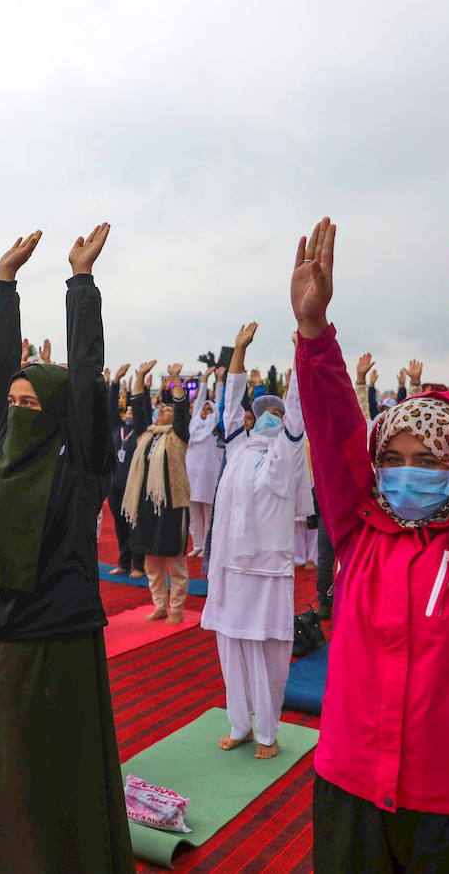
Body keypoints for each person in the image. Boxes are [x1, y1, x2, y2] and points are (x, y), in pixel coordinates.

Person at [295, 219, 449, 872]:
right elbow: (335, 441)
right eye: (395, 457)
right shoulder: (360, 532)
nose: (408, 470)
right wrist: (315, 337)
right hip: (350, 786)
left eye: (429, 458)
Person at [0, 224, 131, 873]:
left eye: (33, 402)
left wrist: (80, 283)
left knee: (50, 778)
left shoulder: (81, 464)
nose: (19, 408)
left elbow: (84, 379)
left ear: (55, 413)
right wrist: (4, 283)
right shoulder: (5, 448)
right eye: (13, 402)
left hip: (54, 643)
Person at [201, 320, 309, 759]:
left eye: (275, 412)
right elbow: (230, 407)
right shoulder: (239, 449)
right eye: (261, 410)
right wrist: (238, 353)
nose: (266, 415)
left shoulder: (285, 455)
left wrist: (302, 357)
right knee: (231, 650)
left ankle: (268, 733)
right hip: (230, 569)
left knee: (267, 657)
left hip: (266, 571)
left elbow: (298, 413)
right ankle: (239, 725)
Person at [124, 360, 192, 624]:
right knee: (151, 562)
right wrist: (139, 376)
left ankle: (176, 607)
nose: (162, 410)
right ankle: (159, 605)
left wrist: (175, 378)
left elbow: (182, 409)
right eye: (160, 408)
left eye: (166, 409)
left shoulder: (178, 436)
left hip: (173, 503)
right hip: (146, 505)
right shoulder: (145, 435)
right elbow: (139, 408)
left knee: (175, 562)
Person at [105, 364, 144, 577]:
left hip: (133, 485)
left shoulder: (141, 431)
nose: (129, 412)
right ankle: (123, 562)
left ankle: (139, 564)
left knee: (134, 525)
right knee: (120, 525)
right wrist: (115, 382)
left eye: (132, 410)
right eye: (126, 410)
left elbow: (141, 407)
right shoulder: (116, 428)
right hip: (115, 484)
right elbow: (110, 407)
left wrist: (139, 384)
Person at [186, 366, 223, 556]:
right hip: (192, 475)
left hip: (209, 476)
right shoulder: (194, 425)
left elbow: (222, 403)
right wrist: (204, 379)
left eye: (210, 409)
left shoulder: (216, 425)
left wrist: (219, 381)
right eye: (204, 408)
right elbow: (199, 399)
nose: (206, 411)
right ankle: (197, 545)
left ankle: (208, 545)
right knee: (194, 513)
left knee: (209, 514)